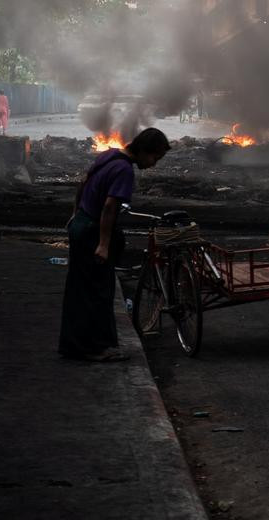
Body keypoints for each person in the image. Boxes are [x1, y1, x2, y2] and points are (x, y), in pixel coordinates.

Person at [58, 128, 170, 362]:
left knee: (79, 291)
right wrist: (104, 245)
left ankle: (74, 346)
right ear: (143, 151)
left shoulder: (109, 155)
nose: (153, 164)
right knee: (98, 292)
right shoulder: (124, 170)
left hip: (81, 225)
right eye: (154, 158)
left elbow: (83, 182)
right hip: (92, 233)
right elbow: (109, 208)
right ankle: (97, 348)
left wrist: (75, 212)